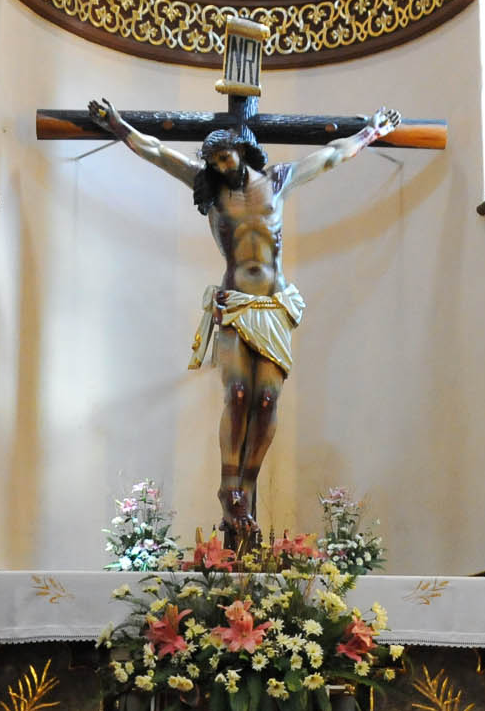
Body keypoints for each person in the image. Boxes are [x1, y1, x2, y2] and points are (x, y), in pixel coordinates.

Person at [87, 99, 401, 544]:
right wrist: (119, 126)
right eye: (213, 160)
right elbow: (157, 151)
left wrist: (370, 132)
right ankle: (228, 487)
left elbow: (331, 155)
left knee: (267, 402)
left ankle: (247, 484)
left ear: (242, 147)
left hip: (275, 307)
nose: (221, 164)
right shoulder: (210, 191)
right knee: (237, 394)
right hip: (235, 303)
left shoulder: (278, 180)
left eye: (226, 154)